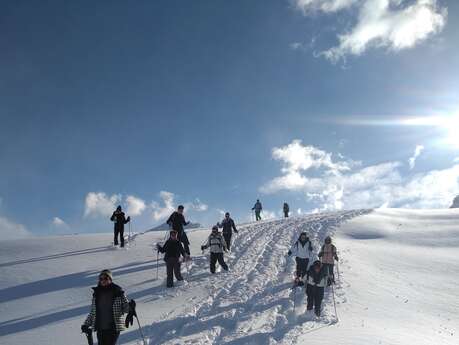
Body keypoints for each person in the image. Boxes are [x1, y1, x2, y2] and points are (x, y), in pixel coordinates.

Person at [82, 269, 136, 345]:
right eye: (101, 279)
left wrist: (131, 307)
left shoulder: (118, 291)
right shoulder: (97, 294)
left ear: (110, 279)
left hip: (114, 327)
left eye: (106, 278)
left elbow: (125, 308)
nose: (103, 280)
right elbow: (93, 312)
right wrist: (86, 324)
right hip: (100, 327)